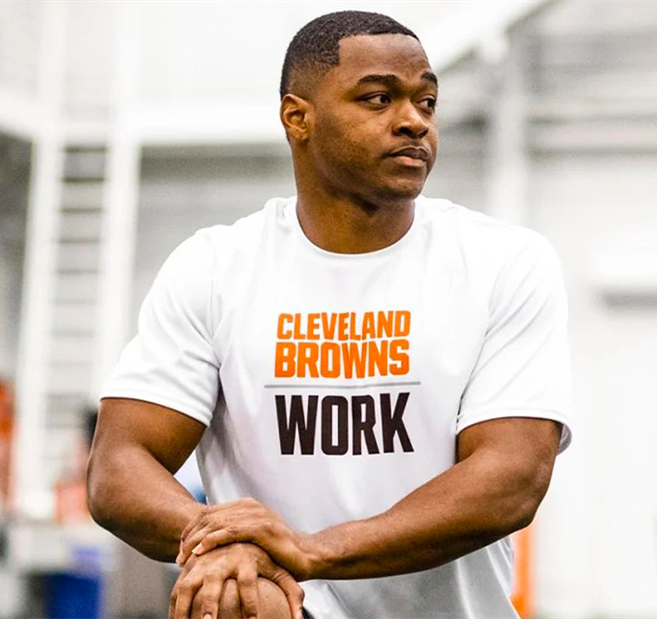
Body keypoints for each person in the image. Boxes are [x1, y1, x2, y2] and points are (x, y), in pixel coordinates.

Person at [87, 10, 573, 619]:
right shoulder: (215, 267)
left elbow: (511, 477)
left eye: (427, 101)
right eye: (378, 98)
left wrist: (310, 551)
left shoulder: (502, 261)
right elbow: (119, 467)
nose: (413, 121)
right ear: (298, 118)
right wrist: (215, 541)